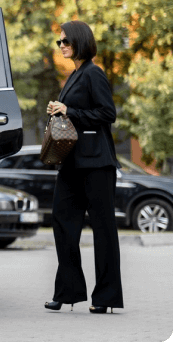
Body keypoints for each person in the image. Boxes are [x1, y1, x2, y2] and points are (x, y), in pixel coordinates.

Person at [44, 20, 124, 314]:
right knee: (63, 223)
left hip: (97, 163)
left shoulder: (93, 73)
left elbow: (107, 113)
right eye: (59, 41)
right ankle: (68, 291)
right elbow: (75, 114)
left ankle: (106, 297)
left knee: (103, 229)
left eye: (65, 41)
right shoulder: (75, 75)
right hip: (71, 163)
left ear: (79, 41)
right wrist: (59, 110)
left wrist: (70, 110)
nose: (61, 45)